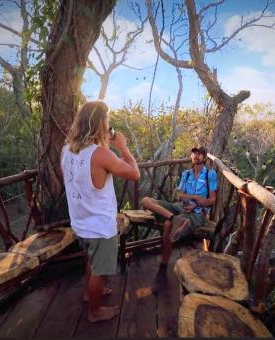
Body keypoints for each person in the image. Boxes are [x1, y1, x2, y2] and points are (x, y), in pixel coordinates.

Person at [61, 101, 140, 322]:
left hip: (80, 222)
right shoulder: (101, 154)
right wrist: (122, 146)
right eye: (107, 120)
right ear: (100, 124)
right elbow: (135, 174)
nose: (109, 124)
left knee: (92, 260)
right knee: (100, 270)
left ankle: (90, 293)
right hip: (100, 226)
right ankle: (94, 312)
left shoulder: (66, 150)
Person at [140, 146, 217, 274]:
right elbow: (180, 196)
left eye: (199, 154)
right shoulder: (186, 174)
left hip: (197, 213)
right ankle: (174, 218)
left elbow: (212, 200)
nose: (196, 156)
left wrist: (197, 204)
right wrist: (194, 197)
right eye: (194, 154)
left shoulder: (210, 174)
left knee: (167, 225)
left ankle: (163, 265)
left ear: (204, 158)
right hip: (179, 207)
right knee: (146, 201)